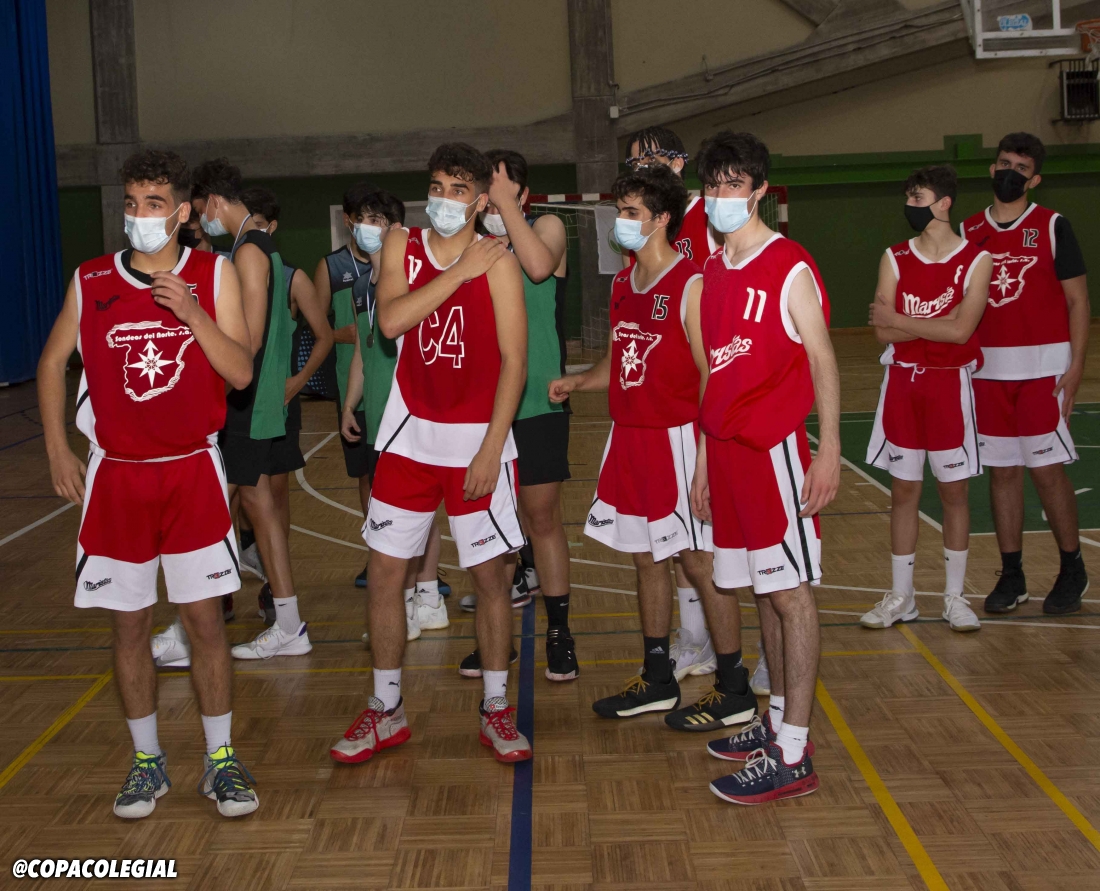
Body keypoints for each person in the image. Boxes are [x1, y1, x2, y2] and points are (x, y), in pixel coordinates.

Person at [37, 149, 259, 818]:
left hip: (192, 470)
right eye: (132, 204)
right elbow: (52, 362)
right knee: (129, 626)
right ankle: (146, 763)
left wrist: (193, 314)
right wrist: (57, 449)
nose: (139, 215)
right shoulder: (92, 278)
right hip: (117, 477)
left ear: (183, 211)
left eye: (154, 204)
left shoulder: (214, 274)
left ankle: (220, 760)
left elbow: (241, 371)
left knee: (204, 623)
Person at [331, 143, 531, 764]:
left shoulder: (500, 261)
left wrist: (492, 447)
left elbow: (515, 361)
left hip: (476, 440)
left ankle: (496, 708)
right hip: (408, 435)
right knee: (385, 573)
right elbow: (391, 324)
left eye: (458, 190)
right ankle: (386, 708)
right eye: (437, 187)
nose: (444, 200)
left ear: (480, 200)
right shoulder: (402, 244)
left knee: (490, 579)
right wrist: (458, 273)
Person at [549, 165, 753, 731]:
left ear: (662, 219)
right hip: (630, 437)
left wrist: (705, 460)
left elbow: (711, 375)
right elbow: (620, 359)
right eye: (620, 211)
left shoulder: (691, 284)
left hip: (678, 439)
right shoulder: (623, 283)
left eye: (631, 212)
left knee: (699, 562)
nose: (621, 221)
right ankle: (658, 677)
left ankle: (734, 685)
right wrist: (579, 381)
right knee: (646, 558)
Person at [689, 132, 840, 805]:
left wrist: (827, 450)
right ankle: (775, 720)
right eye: (712, 184)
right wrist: (702, 459)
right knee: (761, 590)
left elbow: (823, 358)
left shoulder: (789, 265)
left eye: (733, 183)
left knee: (790, 593)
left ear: (757, 191)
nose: (720, 195)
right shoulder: (714, 269)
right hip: (725, 454)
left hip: (772, 450)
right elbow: (713, 374)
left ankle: (795, 753)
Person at [617, 124, 735, 687]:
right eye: (632, 162)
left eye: (648, 160)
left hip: (719, 386)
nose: (639, 168)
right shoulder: (639, 239)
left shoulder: (712, 218)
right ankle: (695, 639)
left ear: (679, 162)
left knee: (720, 545)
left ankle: (754, 650)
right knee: (676, 544)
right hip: (666, 400)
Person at [454, 148, 577, 683]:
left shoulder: (547, 227)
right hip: (485, 406)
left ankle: (560, 633)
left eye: (503, 190)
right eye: (488, 191)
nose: (493, 199)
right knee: (493, 526)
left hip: (539, 399)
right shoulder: (470, 242)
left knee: (541, 518)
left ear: (521, 194)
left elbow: (538, 266)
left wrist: (507, 207)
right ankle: (495, 638)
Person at [190, 159, 315, 658]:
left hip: (245, 402)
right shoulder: (260, 247)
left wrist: (214, 391)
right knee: (261, 512)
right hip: (260, 404)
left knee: (208, 515)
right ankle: (289, 624)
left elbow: (251, 339)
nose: (202, 222)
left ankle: (191, 629)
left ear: (214, 201)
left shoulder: (247, 251)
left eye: (200, 211)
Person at [961, 133, 1090, 615]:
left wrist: (1076, 366)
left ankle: (1072, 568)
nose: (1009, 172)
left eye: (1021, 167)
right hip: (987, 371)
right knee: (1002, 473)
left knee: (1047, 472)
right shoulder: (968, 229)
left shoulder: (1053, 225)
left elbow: (1078, 301)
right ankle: (1012, 575)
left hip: (1044, 371)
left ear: (1034, 180)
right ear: (992, 169)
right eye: (1003, 163)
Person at [863, 166, 993, 632]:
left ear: (944, 203)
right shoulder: (894, 256)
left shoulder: (977, 259)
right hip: (902, 384)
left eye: (917, 197)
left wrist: (902, 320)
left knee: (954, 492)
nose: (909, 205)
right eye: (908, 197)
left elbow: (962, 332)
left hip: (949, 386)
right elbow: (882, 332)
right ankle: (903, 597)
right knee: (903, 491)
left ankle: (954, 597)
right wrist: (936, 323)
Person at [334, 188, 449, 640]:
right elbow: (363, 353)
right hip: (376, 415)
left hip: (410, 415)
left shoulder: (414, 282)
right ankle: (418, 600)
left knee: (418, 511)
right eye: (360, 219)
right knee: (396, 516)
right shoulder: (361, 286)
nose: (365, 228)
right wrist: (350, 404)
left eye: (375, 220)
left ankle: (423, 598)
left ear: (396, 229)